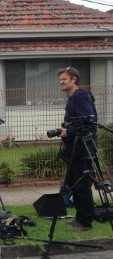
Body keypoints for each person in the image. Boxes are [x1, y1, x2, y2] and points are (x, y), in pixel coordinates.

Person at [57, 67, 97, 231]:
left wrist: (69, 131)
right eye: (60, 79)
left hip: (83, 147)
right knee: (75, 183)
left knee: (82, 184)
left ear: (74, 79)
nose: (61, 82)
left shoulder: (80, 96)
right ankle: (80, 217)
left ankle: (85, 221)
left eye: (64, 79)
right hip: (74, 146)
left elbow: (88, 123)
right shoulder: (72, 98)